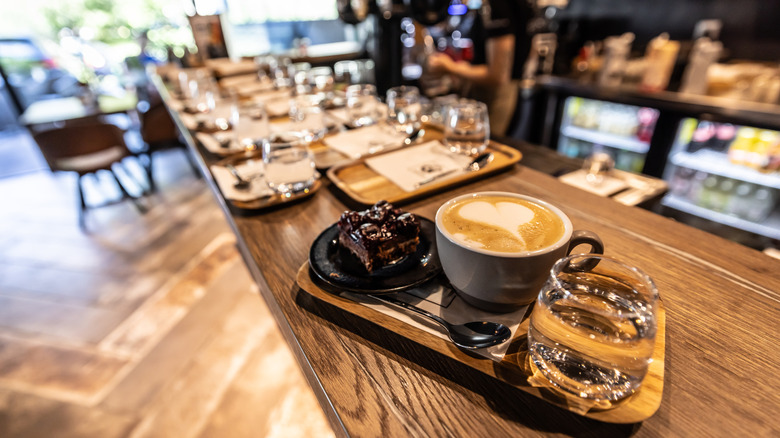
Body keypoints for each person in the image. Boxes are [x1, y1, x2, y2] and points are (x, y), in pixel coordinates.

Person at [426, 0, 534, 137]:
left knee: (480, 146)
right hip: (509, 90)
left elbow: (497, 75)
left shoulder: (498, 5)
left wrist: (450, 67)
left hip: (497, 96)